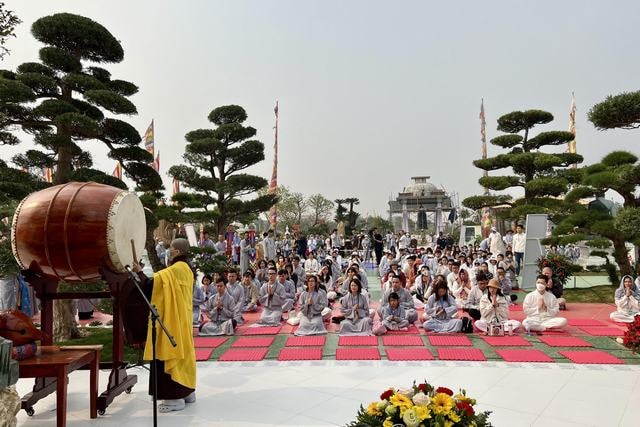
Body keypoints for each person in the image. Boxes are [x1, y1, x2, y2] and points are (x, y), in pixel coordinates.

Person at [131, 238, 195, 412]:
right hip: (182, 320)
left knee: (169, 353)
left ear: (178, 252)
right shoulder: (187, 268)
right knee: (184, 354)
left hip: (171, 321)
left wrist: (139, 272)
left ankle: (174, 399)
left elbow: (153, 286)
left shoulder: (176, 269)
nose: (169, 251)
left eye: (171, 249)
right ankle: (187, 391)